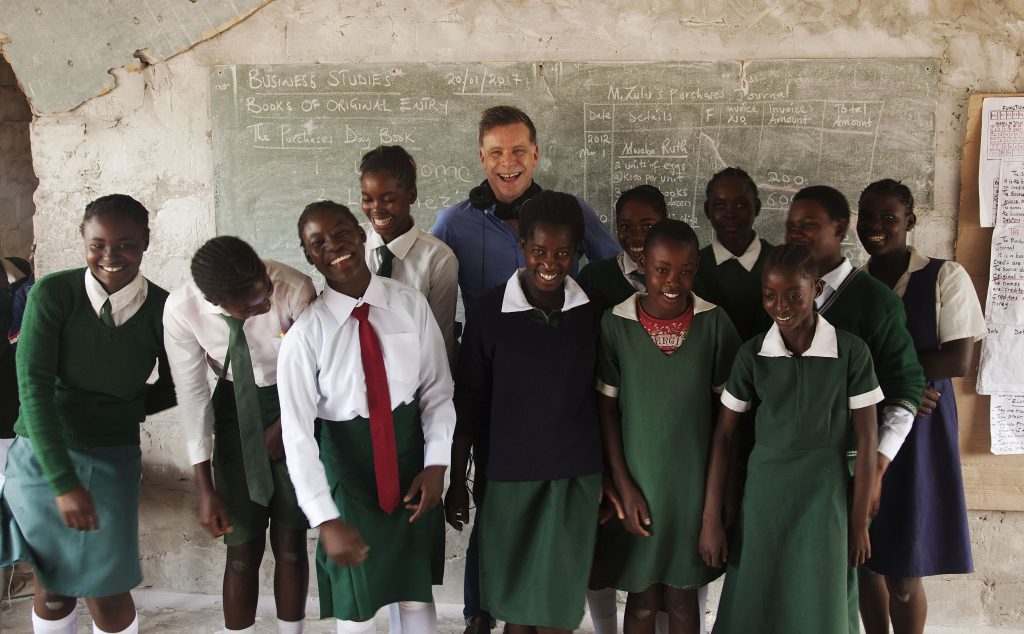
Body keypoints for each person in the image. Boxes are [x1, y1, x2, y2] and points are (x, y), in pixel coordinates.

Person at [434, 105, 619, 634]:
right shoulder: (453, 223)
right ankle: (480, 614)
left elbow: (613, 270)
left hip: (561, 391)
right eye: (496, 152)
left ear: (535, 154)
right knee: (499, 519)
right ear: (481, 157)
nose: (508, 163)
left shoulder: (571, 215)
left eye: (518, 151)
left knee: (550, 544)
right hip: (495, 386)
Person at [0, 194, 176, 634]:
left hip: (112, 457)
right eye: (97, 244)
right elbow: (33, 391)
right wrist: (63, 483)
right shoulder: (53, 293)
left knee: (108, 590)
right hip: (42, 456)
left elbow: (176, 389)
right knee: (54, 589)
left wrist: (119, 410)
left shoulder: (164, 308)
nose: (110, 256)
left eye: (125, 245)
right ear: (84, 241)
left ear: (146, 243)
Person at [278, 201, 454, 633]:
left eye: (341, 233)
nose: (334, 247)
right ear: (309, 257)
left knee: (415, 589)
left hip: (412, 462)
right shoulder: (306, 335)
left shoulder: (409, 305)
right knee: (357, 600)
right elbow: (298, 436)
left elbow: (437, 390)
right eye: (318, 243)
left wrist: (437, 465)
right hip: (350, 476)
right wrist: (325, 518)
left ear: (360, 235)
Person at [701, 243, 880, 633]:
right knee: (758, 596)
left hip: (826, 495)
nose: (780, 306)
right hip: (765, 497)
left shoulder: (851, 353)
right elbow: (725, 439)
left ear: (816, 289)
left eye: (794, 295)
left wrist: (859, 521)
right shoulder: (752, 356)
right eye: (769, 295)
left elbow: (868, 441)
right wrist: (711, 519)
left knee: (821, 598)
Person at [785, 185, 925, 634]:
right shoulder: (781, 292)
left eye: (809, 225)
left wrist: (877, 467)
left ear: (840, 229)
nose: (796, 233)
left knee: (841, 580)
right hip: (788, 464)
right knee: (793, 582)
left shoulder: (875, 302)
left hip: (849, 466)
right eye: (791, 226)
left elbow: (906, 389)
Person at [162, 236, 316, 634]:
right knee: (242, 549)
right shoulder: (182, 310)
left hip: (294, 401)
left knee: (291, 545)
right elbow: (194, 394)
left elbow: (320, 370)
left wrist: (287, 426)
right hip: (231, 408)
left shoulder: (294, 288)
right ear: (218, 301)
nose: (266, 303)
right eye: (252, 306)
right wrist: (204, 485)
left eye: (265, 291)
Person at [593, 219, 739, 634]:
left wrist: (717, 503)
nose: (674, 281)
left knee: (681, 599)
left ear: (697, 269)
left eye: (686, 271)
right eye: (662, 269)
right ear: (643, 262)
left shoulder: (714, 323)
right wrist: (623, 486)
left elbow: (729, 423)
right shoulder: (616, 323)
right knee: (641, 601)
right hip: (639, 487)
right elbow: (606, 412)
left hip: (694, 492)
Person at [855, 179, 985, 634]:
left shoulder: (944, 276)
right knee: (864, 563)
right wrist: (893, 383)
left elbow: (958, 358)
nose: (876, 226)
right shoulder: (851, 285)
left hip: (922, 429)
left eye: (888, 217)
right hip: (865, 427)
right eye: (867, 216)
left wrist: (893, 381)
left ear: (909, 222)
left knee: (905, 568)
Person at [359, 145, 459, 367]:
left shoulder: (439, 260)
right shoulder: (353, 244)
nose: (376, 209)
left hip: (413, 382)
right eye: (368, 199)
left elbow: (439, 341)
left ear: (411, 195)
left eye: (388, 199)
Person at [695, 167, 773, 342]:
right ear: (708, 210)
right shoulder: (694, 267)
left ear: (757, 207)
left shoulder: (779, 262)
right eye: (720, 205)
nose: (730, 213)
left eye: (740, 205)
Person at [577, 185, 667, 311]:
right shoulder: (593, 277)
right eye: (625, 226)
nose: (636, 237)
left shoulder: (684, 276)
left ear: (665, 226)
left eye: (648, 227)